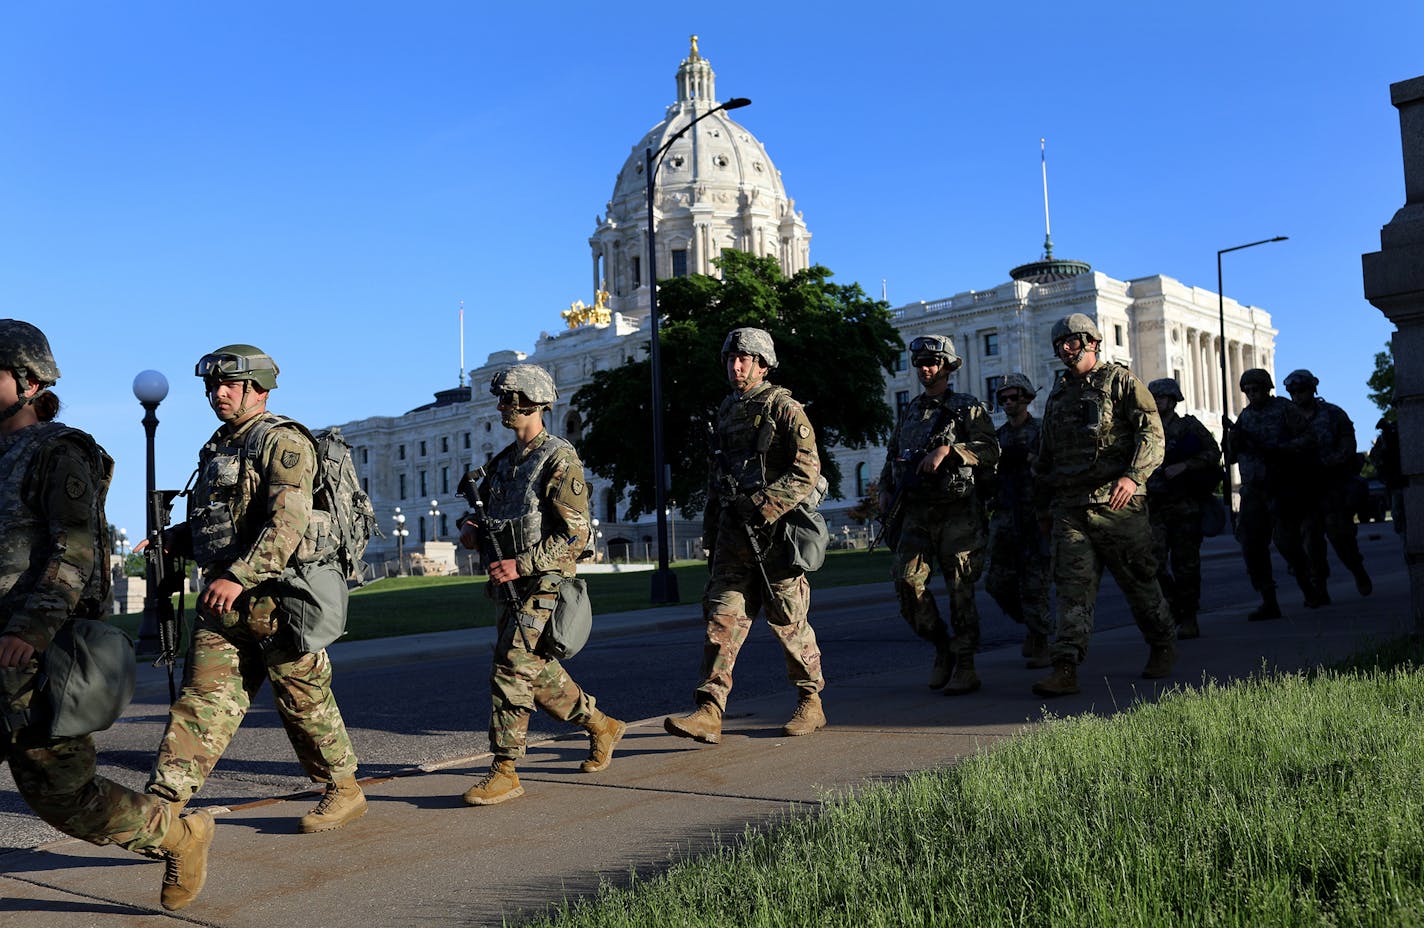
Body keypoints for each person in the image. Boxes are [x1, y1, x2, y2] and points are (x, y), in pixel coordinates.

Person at [0, 320, 213, 912]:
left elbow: (74, 549)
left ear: (27, 381)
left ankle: (178, 833)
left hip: (29, 654)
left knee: (63, 794)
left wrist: (30, 631)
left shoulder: (59, 452)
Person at [148, 344, 366, 834]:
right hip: (221, 606)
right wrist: (172, 539)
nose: (217, 394)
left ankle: (344, 788)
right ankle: (162, 806)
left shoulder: (282, 442)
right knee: (201, 705)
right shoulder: (218, 447)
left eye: (228, 385)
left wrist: (238, 576)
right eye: (211, 386)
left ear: (258, 388)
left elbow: (287, 522)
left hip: (276, 600)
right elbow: (220, 523)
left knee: (303, 703)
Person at [456, 364, 625, 805]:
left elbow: (575, 534)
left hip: (543, 581)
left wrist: (522, 563)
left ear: (532, 401)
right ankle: (600, 724)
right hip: (508, 582)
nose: (501, 408)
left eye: (508, 400)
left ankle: (505, 769)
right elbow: (488, 510)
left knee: (511, 664)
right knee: (535, 669)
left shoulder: (558, 457)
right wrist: (472, 526)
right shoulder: (504, 462)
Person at [664, 327, 827, 742]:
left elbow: (808, 469)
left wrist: (764, 505)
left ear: (763, 364)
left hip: (776, 536)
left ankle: (811, 701)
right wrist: (712, 531)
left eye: (745, 359)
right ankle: (709, 710)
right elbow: (717, 480)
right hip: (733, 538)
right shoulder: (725, 412)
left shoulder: (783, 406)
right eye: (731, 359)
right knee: (721, 621)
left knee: (789, 622)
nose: (736, 366)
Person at [1031, 313, 1176, 697]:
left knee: (1139, 581)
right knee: (1071, 589)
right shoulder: (1058, 395)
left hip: (1117, 505)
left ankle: (1162, 643)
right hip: (1071, 508)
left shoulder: (1120, 381)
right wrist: (1044, 506)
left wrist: (1134, 476)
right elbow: (1046, 456)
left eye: (1072, 341)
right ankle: (1065, 667)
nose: (1065, 348)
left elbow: (1152, 433)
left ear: (1091, 342)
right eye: (1059, 343)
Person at [876, 334, 999, 693]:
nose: (925, 369)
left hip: (957, 511)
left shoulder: (967, 407)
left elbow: (991, 449)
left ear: (947, 366)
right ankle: (942, 647)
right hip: (916, 511)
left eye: (932, 363)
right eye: (920, 364)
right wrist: (884, 489)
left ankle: (965, 664)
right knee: (906, 582)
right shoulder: (911, 410)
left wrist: (950, 450)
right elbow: (893, 454)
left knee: (960, 589)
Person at [1225, 368, 1322, 619]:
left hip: (1281, 485)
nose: (1251, 394)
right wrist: (1233, 440)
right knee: (1252, 545)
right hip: (1254, 490)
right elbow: (1233, 456)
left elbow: (1310, 439)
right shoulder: (1245, 418)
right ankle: (1269, 599)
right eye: (1247, 391)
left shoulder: (1284, 409)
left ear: (1266, 388)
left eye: (1256, 389)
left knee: (1287, 543)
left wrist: (1281, 450)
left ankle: (1307, 587)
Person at [984, 372, 1054, 668]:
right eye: (1004, 398)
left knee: (1034, 585)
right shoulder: (997, 438)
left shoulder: (1041, 432)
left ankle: (1042, 640)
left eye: (1015, 397)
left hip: (1036, 517)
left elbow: (1053, 470)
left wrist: (1033, 463)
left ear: (1027, 399)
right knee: (996, 583)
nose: (1009, 403)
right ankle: (1032, 625)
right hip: (1005, 518)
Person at [1283, 369, 1372, 599]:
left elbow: (1347, 445)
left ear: (1312, 389)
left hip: (1332, 484)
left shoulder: (1333, 414)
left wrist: (1328, 463)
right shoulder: (1287, 419)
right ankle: (1319, 586)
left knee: (1340, 535)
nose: (1297, 396)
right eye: (1293, 392)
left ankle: (1357, 570)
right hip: (1305, 488)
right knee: (1310, 539)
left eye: (1301, 390)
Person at [1144, 378, 1221, 640]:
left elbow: (1213, 453)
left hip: (1184, 507)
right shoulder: (1146, 429)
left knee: (1185, 565)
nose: (1156, 402)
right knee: (1151, 564)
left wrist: (1186, 465)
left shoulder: (1188, 427)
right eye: (1154, 397)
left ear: (1173, 399)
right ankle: (1176, 606)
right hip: (1154, 507)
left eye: (1161, 398)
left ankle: (1189, 617)